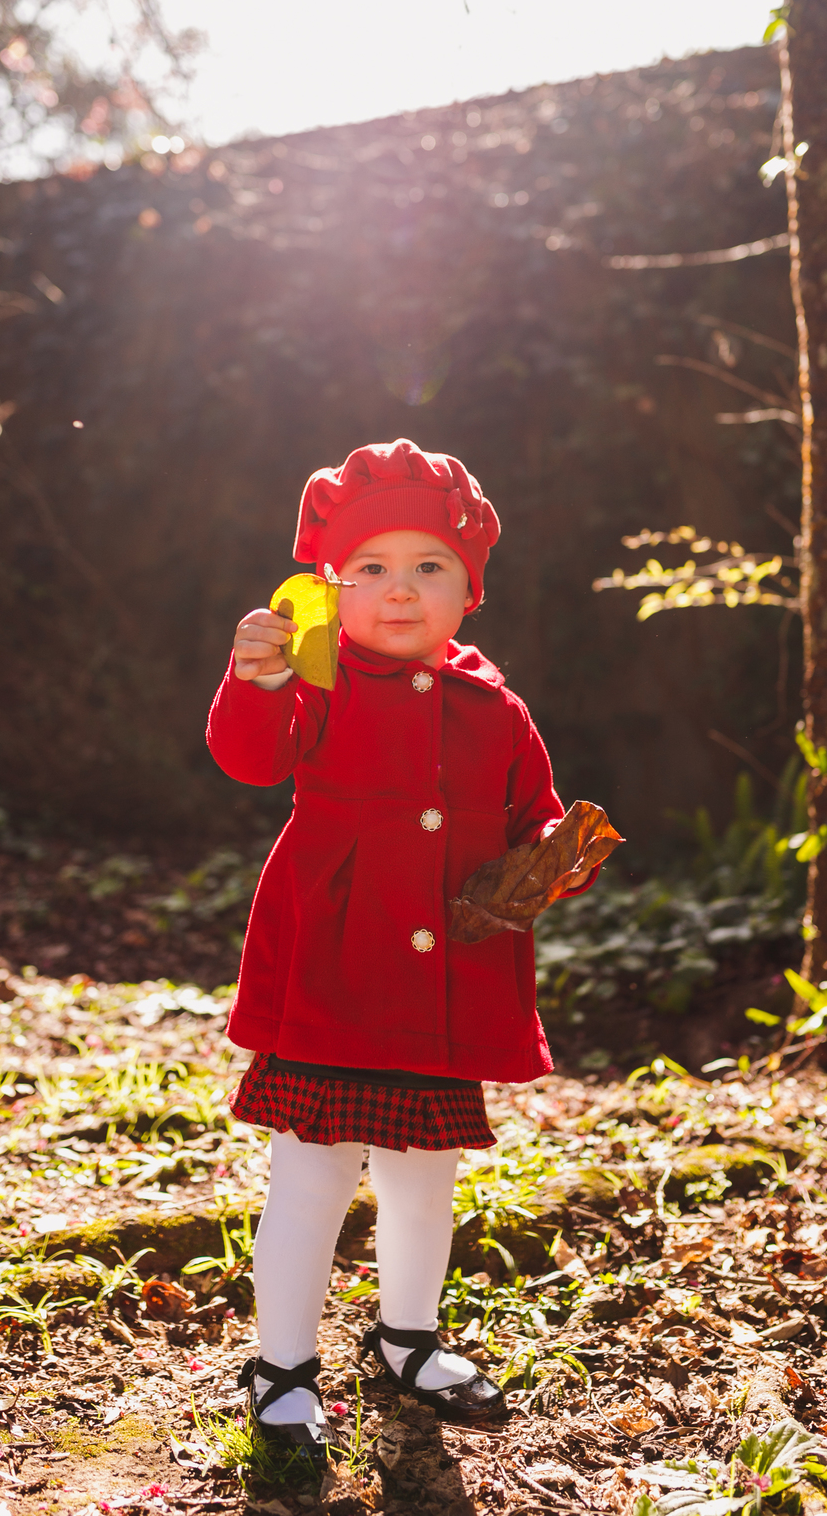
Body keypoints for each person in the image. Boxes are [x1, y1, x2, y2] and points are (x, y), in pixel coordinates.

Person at [206, 439, 597, 1456]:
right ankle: (283, 1366)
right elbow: (252, 758)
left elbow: (534, 820)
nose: (399, 590)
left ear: (469, 591)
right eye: (371, 568)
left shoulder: (495, 707)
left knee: (428, 1171)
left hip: (443, 980)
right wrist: (255, 677)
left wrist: (557, 859)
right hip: (338, 965)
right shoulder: (318, 677)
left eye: (429, 568)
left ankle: (406, 1340)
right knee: (314, 1168)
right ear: (330, 586)